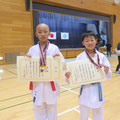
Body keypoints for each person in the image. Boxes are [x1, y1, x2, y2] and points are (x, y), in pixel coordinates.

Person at [66, 31, 112, 120]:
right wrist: (69, 76)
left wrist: (107, 71)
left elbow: (108, 75)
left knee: (98, 115)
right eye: (86, 41)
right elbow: (75, 75)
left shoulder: (101, 56)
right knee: (83, 115)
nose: (89, 42)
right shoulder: (80, 57)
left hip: (97, 89)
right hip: (85, 89)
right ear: (83, 43)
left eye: (92, 40)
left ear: (96, 41)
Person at [26, 23, 65, 120]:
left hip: (50, 84)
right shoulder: (32, 49)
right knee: (38, 109)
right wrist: (26, 60)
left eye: (45, 32)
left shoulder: (54, 48)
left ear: (49, 34)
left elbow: (63, 63)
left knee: (52, 109)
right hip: (37, 84)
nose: (42, 34)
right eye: (40, 32)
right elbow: (27, 67)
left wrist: (58, 59)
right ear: (36, 34)